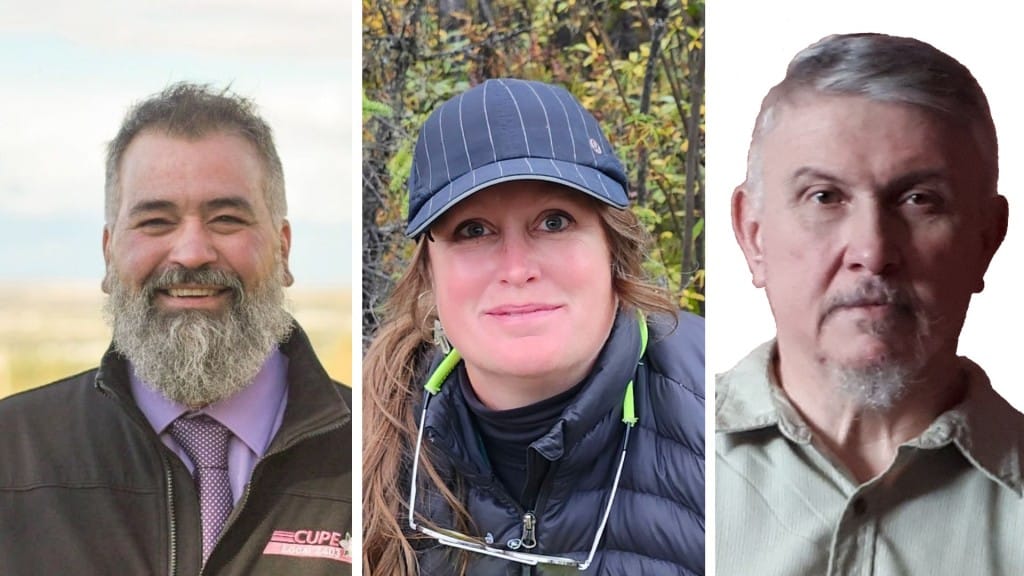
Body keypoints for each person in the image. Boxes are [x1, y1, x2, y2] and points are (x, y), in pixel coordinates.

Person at [0, 83, 353, 575]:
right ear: (108, 253)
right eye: (156, 222)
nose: (191, 252)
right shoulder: (14, 455)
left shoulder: (375, 453)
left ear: (283, 249)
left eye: (227, 219)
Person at [363, 77, 705, 575]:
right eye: (473, 230)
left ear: (614, 249)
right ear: (429, 274)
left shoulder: (717, 419)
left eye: (555, 222)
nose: (517, 267)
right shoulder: (369, 439)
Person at [717, 33, 1020, 575]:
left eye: (919, 200)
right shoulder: (655, 456)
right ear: (752, 234)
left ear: (986, 239)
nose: (873, 252)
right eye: (824, 197)